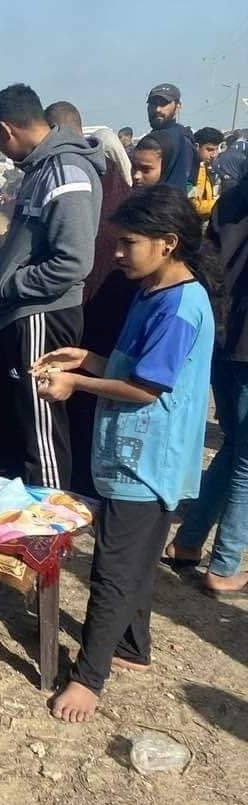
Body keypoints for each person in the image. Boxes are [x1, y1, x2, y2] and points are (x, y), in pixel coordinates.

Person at [32, 185, 214, 722]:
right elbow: (134, 365)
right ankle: (132, 645)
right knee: (133, 560)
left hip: (148, 462)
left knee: (112, 568)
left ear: (167, 243)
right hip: (130, 454)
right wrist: (85, 358)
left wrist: (75, 384)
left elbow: (146, 388)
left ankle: (88, 678)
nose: (116, 252)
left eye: (128, 242)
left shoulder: (180, 307)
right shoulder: (154, 290)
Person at [0, 83, 104, 489]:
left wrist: (12, 285)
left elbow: (73, 260)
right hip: (24, 313)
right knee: (14, 420)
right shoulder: (42, 170)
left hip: (42, 315)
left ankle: (49, 517)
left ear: (6, 130)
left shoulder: (66, 171)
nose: (1, 150)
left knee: (41, 427)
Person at [163, 169, 248, 594]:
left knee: (235, 446)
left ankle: (188, 541)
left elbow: (209, 265)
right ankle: (226, 565)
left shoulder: (229, 199)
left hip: (223, 337)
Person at [46, 101, 136, 496]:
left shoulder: (77, 183)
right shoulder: (118, 192)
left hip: (85, 312)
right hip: (104, 315)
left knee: (83, 402)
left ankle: (80, 485)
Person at [145, 83, 197, 190]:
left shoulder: (180, 140)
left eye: (164, 104)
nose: (157, 109)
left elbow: (185, 183)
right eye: (153, 104)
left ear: (178, 106)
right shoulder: (153, 137)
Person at [190, 127, 224, 221]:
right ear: (197, 146)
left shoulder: (203, 165)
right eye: (209, 149)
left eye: (216, 149)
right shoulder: (190, 168)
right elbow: (191, 204)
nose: (214, 154)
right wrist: (219, 203)